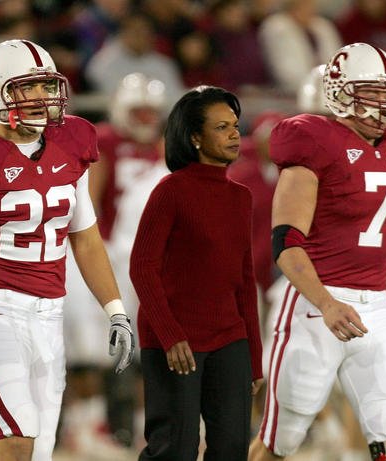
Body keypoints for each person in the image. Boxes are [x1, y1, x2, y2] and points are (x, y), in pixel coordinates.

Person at [0, 39, 134, 461]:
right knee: (18, 443)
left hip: (50, 311)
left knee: (37, 453)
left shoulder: (72, 145)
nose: (41, 99)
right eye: (26, 88)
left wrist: (116, 310)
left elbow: (85, 237)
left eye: (46, 87)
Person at [249, 42, 386, 461]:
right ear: (340, 91)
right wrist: (326, 304)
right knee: (282, 439)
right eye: (372, 91)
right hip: (314, 306)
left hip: (375, 306)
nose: (384, 103)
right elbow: (286, 242)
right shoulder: (313, 139)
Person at [129, 85, 264, 460]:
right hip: (176, 342)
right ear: (195, 138)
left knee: (232, 449)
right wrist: (171, 337)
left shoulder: (241, 196)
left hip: (229, 339)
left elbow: (243, 281)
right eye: (222, 127)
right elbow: (142, 267)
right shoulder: (170, 191)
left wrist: (253, 355)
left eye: (236, 125)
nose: (235, 134)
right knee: (174, 449)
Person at [61, 72, 168, 454]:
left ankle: (144, 429)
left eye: (150, 112)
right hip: (102, 252)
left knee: (144, 347)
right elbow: (89, 203)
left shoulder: (160, 148)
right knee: (88, 347)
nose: (145, 119)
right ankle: (85, 427)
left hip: (140, 259)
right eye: (138, 111)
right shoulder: (105, 141)